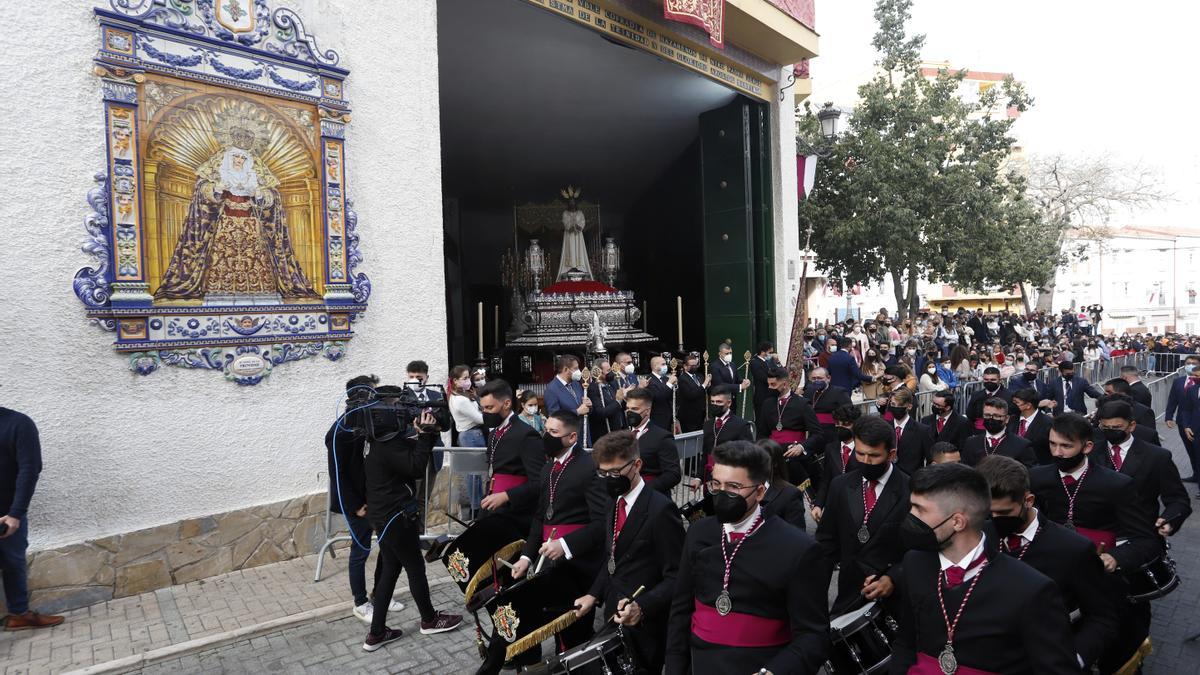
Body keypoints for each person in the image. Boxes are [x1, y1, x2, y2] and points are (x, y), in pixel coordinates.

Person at [888, 463, 1080, 673]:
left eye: (920, 510)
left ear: (958, 522)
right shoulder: (915, 563)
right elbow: (905, 642)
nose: (911, 517)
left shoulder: (1031, 590)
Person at [666, 441, 829, 674]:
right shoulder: (699, 532)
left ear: (760, 491)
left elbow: (814, 636)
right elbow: (680, 611)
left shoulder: (798, 548)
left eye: (733, 487)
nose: (722, 494)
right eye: (716, 485)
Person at [976, 455, 1119, 670]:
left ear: (1028, 500)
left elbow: (1103, 616)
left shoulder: (1073, 549)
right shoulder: (979, 535)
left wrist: (1073, 659)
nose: (995, 519)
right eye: (989, 513)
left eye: (1004, 512)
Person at [574, 431, 686, 673]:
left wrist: (642, 607)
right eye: (602, 473)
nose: (607, 479)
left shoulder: (660, 510)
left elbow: (678, 575)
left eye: (614, 472)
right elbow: (614, 557)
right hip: (614, 615)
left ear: (636, 465)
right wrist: (594, 594)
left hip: (646, 625)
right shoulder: (613, 501)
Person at [361, 393, 461, 652]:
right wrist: (427, 435)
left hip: (383, 515)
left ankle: (376, 632)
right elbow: (416, 467)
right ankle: (429, 619)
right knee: (415, 568)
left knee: (390, 572)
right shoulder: (389, 444)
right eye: (398, 408)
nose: (403, 413)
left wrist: (418, 435)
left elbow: (403, 457)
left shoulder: (376, 440)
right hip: (396, 517)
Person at [511, 411, 608, 650]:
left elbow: (601, 523)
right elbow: (540, 517)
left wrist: (565, 545)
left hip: (579, 561)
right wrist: (526, 556)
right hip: (551, 558)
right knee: (556, 623)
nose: (546, 436)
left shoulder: (588, 467)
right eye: (546, 430)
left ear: (572, 437)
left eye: (554, 433)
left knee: (576, 631)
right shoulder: (548, 469)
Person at [326, 375, 407, 625]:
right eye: (371, 393)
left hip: (378, 499)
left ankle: (380, 594)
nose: (375, 398)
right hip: (358, 504)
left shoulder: (370, 423)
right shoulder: (340, 431)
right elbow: (338, 474)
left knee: (389, 548)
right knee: (360, 552)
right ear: (357, 396)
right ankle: (360, 603)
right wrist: (355, 505)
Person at [815, 416, 911, 616]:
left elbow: (920, 551)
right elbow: (826, 543)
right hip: (849, 595)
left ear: (891, 454)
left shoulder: (910, 490)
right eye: (860, 454)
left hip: (895, 599)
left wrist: (893, 578)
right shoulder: (841, 486)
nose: (866, 462)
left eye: (874, 456)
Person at [0, 406, 62, 631]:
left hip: (6, 517)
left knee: (13, 564)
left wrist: (16, 513)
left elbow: (29, 468)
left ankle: (19, 615)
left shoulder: (18, 423)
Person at [1092, 400, 1191, 538]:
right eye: (1105, 428)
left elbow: (1178, 500)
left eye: (1117, 427)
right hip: (1097, 533)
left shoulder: (1157, 456)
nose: (1111, 432)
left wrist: (1169, 520)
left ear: (1132, 426)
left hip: (1139, 534)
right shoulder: (1091, 452)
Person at [477, 380, 545, 532]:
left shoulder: (526, 434)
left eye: (489, 407)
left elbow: (540, 481)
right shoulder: (493, 434)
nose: (485, 413)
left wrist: (507, 496)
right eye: (483, 408)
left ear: (506, 404)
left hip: (517, 512)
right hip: (492, 508)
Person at [757, 367, 823, 482]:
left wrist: (801, 447)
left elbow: (817, 434)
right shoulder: (767, 404)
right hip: (772, 456)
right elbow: (762, 433)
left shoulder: (802, 404)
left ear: (785, 384)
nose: (769, 388)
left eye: (773, 384)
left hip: (795, 456)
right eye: (768, 384)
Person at [695, 385, 755, 490]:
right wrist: (698, 478)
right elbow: (705, 454)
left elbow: (748, 455)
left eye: (719, 402)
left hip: (730, 478)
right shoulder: (708, 424)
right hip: (709, 476)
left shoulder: (741, 425)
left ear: (729, 403)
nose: (715, 405)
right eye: (712, 402)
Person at [623, 388, 681, 494]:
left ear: (648, 411)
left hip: (650, 496)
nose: (630, 413)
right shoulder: (622, 435)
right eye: (628, 408)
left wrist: (644, 489)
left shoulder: (662, 437)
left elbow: (673, 474)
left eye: (635, 409)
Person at [447, 365, 486, 515]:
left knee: (474, 475)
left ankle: (476, 506)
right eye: (464, 378)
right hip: (471, 435)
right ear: (455, 381)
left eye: (468, 377)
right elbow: (479, 418)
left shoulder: (459, 395)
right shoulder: (460, 400)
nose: (468, 381)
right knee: (474, 475)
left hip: (468, 435)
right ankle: (476, 507)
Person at [960, 397, 1036, 467]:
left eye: (996, 416)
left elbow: (1028, 474)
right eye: (987, 415)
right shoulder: (971, 442)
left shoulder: (1022, 445)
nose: (991, 419)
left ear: (1006, 419)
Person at [757, 439, 810, 530]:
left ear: (774, 463)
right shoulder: (744, 486)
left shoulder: (790, 494)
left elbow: (797, 534)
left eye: (760, 460)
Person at [1164, 354, 1200, 484]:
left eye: (1194, 363)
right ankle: (1196, 474)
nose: (1190, 365)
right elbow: (1172, 400)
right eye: (1188, 363)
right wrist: (1169, 416)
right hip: (1182, 422)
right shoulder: (1179, 381)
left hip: (1197, 422)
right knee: (1191, 450)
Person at [544, 355, 592, 444]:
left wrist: (589, 404)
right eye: (575, 368)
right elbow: (554, 416)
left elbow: (584, 408)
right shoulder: (551, 389)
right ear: (566, 369)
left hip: (584, 435)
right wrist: (577, 411)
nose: (579, 371)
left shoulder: (576, 384)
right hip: (568, 439)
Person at [801, 367, 851, 446]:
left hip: (832, 434)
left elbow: (848, 413)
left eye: (819, 378)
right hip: (814, 434)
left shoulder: (839, 392)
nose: (816, 381)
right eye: (814, 378)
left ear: (828, 378)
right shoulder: (808, 392)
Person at [888, 388, 933, 475]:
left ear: (909, 406)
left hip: (911, 479)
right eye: (893, 404)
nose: (895, 408)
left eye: (900, 405)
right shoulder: (885, 427)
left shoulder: (922, 430)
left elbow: (930, 459)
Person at [1009, 387, 1053, 465]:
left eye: (1016, 402)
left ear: (1028, 405)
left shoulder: (1047, 423)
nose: (1012, 405)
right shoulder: (1011, 420)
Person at [586, 356, 624, 438]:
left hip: (617, 430)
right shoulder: (593, 388)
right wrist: (617, 401)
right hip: (605, 433)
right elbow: (600, 413)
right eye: (608, 371)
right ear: (599, 372)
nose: (611, 373)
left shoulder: (611, 385)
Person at [965, 366, 1011, 432]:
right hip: (978, 432)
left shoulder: (1009, 395)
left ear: (999, 380)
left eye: (993, 380)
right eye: (986, 380)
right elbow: (970, 415)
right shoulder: (975, 395)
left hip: (1003, 431)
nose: (989, 382)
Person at [709, 343, 751, 412]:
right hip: (721, 401)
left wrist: (744, 381)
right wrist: (740, 387)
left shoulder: (732, 364)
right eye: (726, 353)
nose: (729, 355)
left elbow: (737, 379)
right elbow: (720, 385)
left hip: (732, 400)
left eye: (730, 353)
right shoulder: (715, 366)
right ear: (720, 354)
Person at [676, 353, 710, 433]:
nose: (694, 367)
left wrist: (707, 385)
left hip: (701, 414)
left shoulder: (699, 376)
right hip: (689, 417)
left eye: (696, 365)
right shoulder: (682, 379)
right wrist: (704, 384)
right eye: (692, 365)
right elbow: (691, 395)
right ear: (685, 366)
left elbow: (703, 391)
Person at [644, 355, 678, 432]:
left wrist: (675, 386)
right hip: (657, 418)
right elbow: (659, 397)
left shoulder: (666, 378)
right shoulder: (649, 380)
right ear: (655, 366)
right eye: (663, 364)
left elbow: (672, 396)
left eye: (665, 364)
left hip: (669, 416)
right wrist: (669, 383)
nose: (665, 366)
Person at [748, 342, 778, 416]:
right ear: (762, 352)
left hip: (772, 395)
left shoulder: (771, 361)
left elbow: (779, 372)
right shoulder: (755, 362)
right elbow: (763, 377)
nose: (771, 354)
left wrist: (777, 361)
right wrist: (776, 379)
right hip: (762, 396)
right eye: (770, 352)